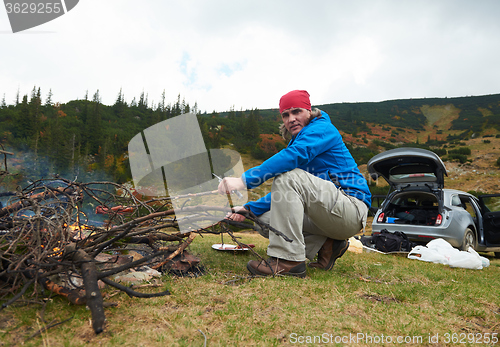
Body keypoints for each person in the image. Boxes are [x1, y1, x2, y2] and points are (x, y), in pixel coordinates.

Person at [218, 90, 371, 278]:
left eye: (296, 111)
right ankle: (328, 245)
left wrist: (244, 180)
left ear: (309, 111)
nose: (291, 119)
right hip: (329, 214)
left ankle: (288, 261)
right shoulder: (299, 141)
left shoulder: (322, 129)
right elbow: (288, 195)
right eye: (285, 115)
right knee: (263, 220)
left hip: (352, 209)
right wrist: (249, 209)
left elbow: (293, 160)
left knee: (287, 175)